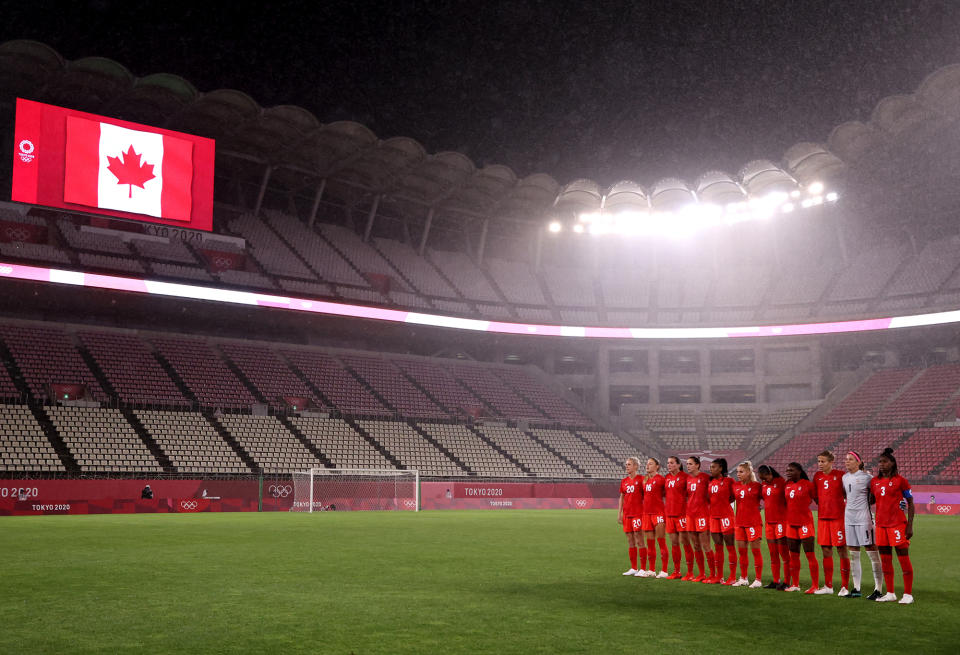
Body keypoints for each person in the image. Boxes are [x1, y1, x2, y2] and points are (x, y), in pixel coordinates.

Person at [869, 448, 915, 604]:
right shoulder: (874, 481)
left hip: (897, 525)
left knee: (903, 558)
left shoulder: (901, 480)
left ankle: (908, 594)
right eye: (880, 462)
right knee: (886, 560)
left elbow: (910, 502)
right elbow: (871, 500)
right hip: (881, 526)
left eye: (885, 461)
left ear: (893, 463)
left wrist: (909, 525)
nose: (881, 465)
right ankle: (890, 593)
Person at [843, 450, 884, 599]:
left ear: (858, 462)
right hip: (849, 518)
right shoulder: (844, 477)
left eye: (850, 459)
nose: (847, 462)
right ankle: (856, 588)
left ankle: (878, 589)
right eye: (846, 459)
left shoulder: (868, 478)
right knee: (853, 554)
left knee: (872, 552)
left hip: (864, 518)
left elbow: (874, 497)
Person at [812, 450, 849, 595]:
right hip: (823, 519)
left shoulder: (841, 475)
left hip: (838, 518)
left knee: (841, 550)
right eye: (819, 461)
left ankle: (844, 586)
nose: (820, 464)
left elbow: (847, 494)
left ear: (831, 462)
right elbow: (816, 497)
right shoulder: (817, 476)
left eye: (823, 461)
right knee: (826, 550)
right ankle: (828, 586)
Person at [783, 462, 820, 593]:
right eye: (787, 470)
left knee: (810, 555)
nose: (788, 472)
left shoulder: (808, 485)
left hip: (805, 524)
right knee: (793, 556)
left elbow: (818, 501)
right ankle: (795, 584)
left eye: (791, 470)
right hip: (791, 524)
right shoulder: (787, 485)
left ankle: (815, 585)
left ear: (799, 471)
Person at [732, 461, 764, 588]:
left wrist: (759, 506)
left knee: (756, 551)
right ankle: (743, 578)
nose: (738, 474)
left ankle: (758, 579)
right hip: (739, 522)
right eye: (737, 472)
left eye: (741, 471)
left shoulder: (757, 486)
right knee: (742, 552)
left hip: (753, 523)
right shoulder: (735, 486)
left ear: (749, 472)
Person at [758, 464, 788, 590]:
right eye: (762, 479)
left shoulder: (781, 482)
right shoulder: (764, 485)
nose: (764, 480)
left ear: (770, 473)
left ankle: (787, 581)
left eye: (765, 478)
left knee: (784, 553)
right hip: (769, 522)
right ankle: (776, 580)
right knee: (773, 553)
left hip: (781, 522)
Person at [707, 458, 737, 585]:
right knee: (718, 547)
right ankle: (719, 576)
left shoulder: (729, 481)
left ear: (720, 468)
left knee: (730, 547)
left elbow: (733, 496)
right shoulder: (710, 482)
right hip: (713, 517)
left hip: (726, 517)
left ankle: (732, 577)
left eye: (713, 467)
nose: (711, 469)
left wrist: (724, 505)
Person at [685, 456, 712, 582]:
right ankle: (701, 574)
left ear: (697, 465)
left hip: (702, 515)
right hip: (690, 515)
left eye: (690, 464)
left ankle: (712, 574)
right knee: (696, 545)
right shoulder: (688, 479)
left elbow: (712, 495)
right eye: (687, 464)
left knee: (706, 545)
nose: (688, 466)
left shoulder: (705, 478)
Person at [664, 456, 691, 579]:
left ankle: (690, 572)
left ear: (679, 465)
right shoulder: (667, 478)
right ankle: (677, 571)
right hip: (669, 514)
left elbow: (691, 495)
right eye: (668, 463)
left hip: (682, 515)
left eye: (672, 463)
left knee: (685, 542)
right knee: (674, 543)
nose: (669, 465)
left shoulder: (686, 478)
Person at [641, 457, 669, 578]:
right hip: (647, 514)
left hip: (658, 514)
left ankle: (664, 570)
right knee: (650, 544)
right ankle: (651, 569)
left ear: (657, 466)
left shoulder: (661, 480)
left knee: (661, 542)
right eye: (647, 464)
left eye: (650, 464)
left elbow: (667, 495)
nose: (647, 466)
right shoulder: (644, 480)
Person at [618, 457, 645, 576]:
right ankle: (634, 568)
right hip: (627, 514)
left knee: (639, 540)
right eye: (626, 464)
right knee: (630, 541)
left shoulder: (642, 480)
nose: (626, 466)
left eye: (629, 464)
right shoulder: (624, 481)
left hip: (638, 514)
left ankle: (643, 568)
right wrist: (619, 513)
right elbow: (622, 497)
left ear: (636, 466)